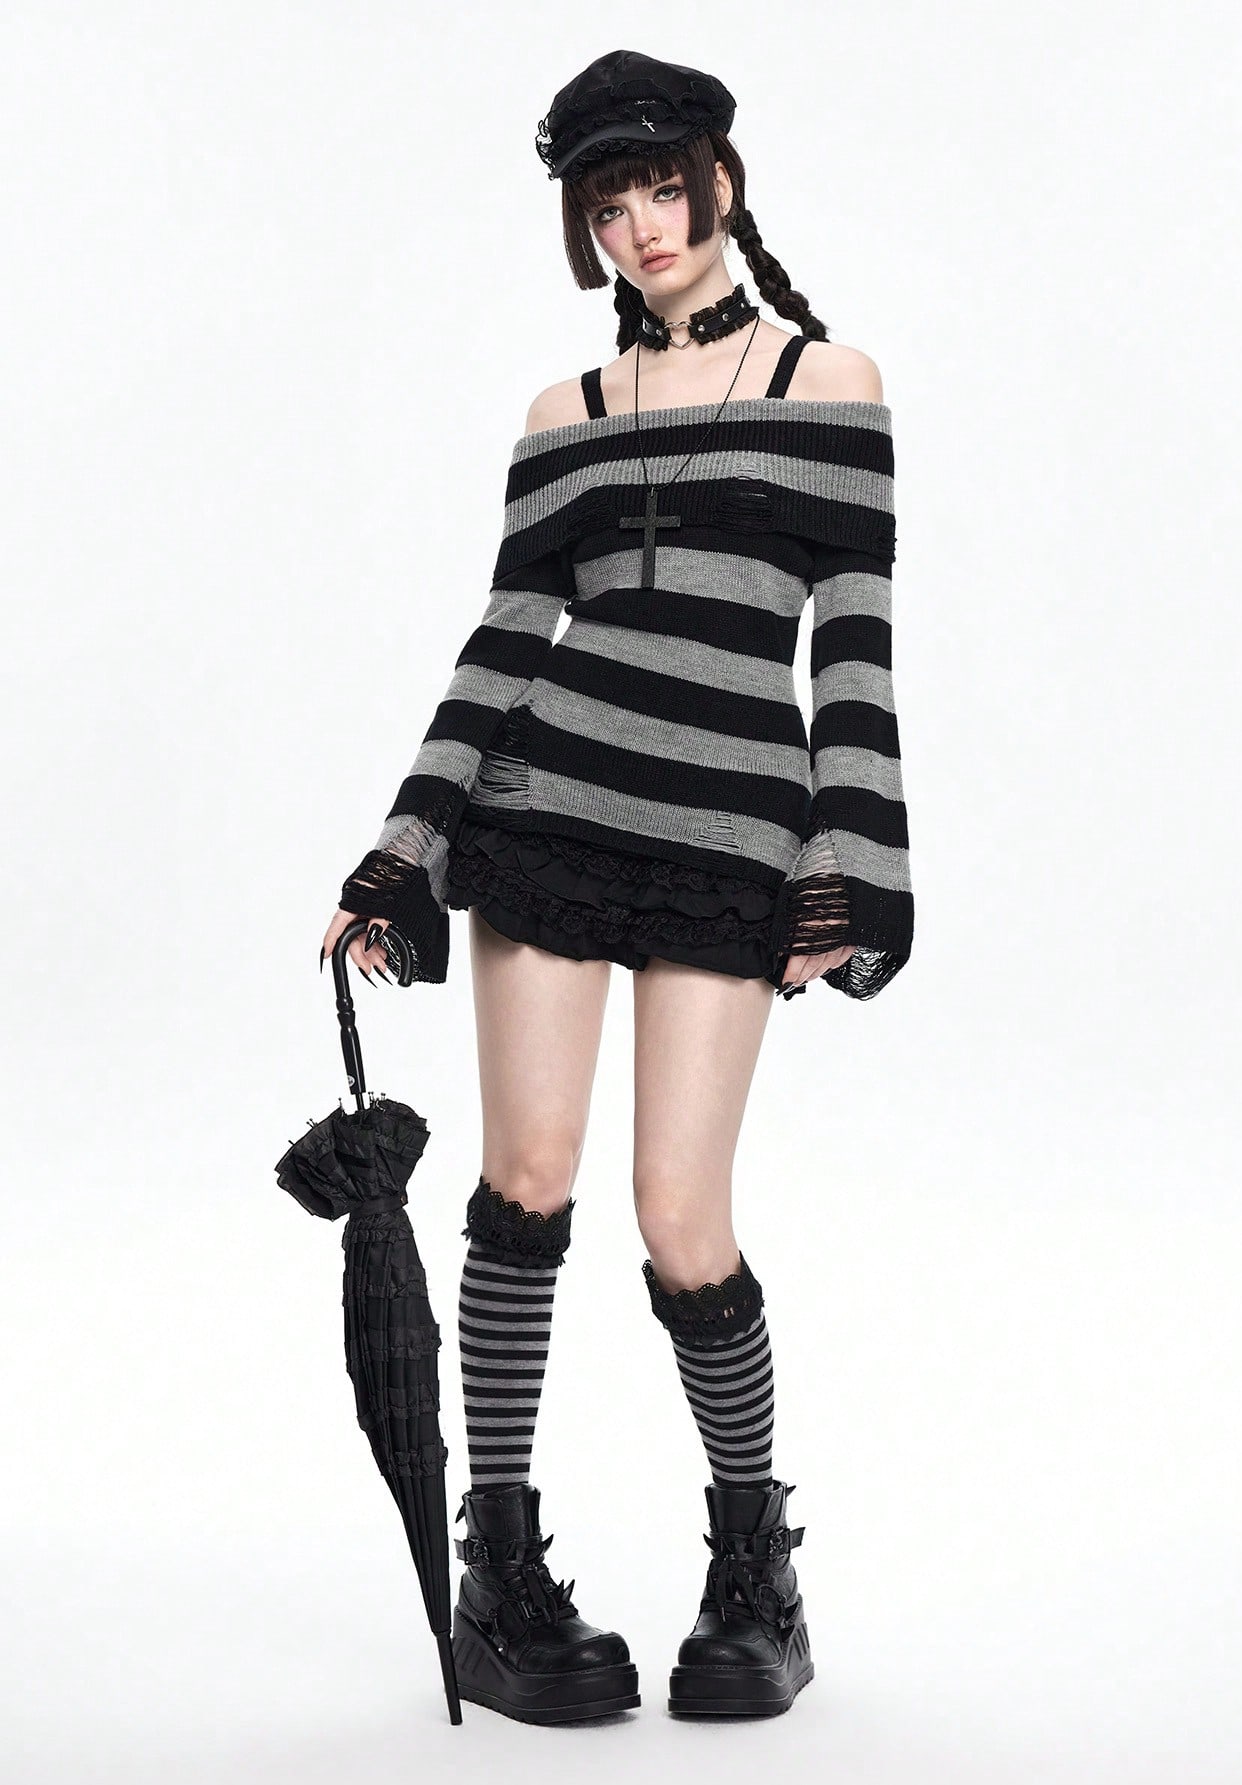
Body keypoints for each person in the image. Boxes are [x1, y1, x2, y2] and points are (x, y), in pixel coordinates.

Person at [320, 49, 913, 1725]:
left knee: (679, 1212)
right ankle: (498, 1574)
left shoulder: (832, 382)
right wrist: (402, 848)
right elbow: (505, 644)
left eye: (663, 185)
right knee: (525, 1180)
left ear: (721, 179)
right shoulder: (560, 418)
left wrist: (857, 866)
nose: (643, 225)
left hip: (731, 838)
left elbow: (854, 661)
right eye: (607, 204)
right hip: (547, 815)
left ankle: (756, 1569)